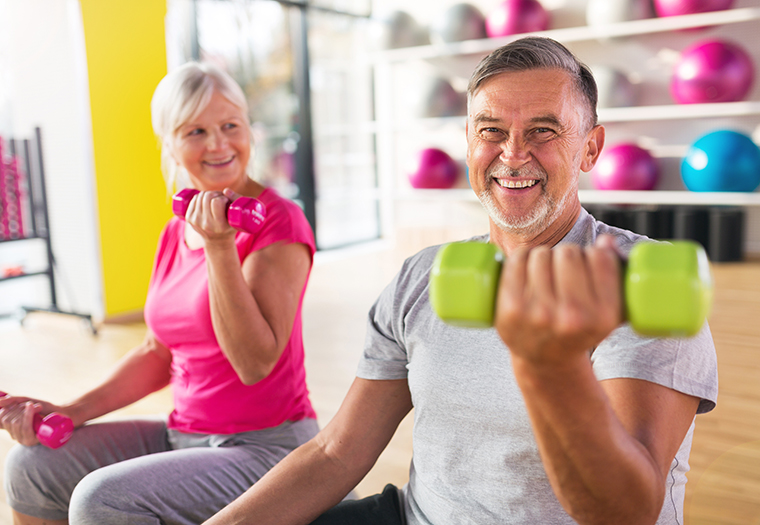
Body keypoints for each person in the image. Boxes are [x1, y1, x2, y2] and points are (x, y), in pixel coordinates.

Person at [203, 37, 718, 525]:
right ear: (469, 141)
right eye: (491, 130)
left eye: (543, 130)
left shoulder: (637, 282)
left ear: (590, 148)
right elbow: (337, 452)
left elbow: (625, 514)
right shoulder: (421, 277)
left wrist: (553, 367)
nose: (513, 154)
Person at [1, 61, 319, 524]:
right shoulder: (174, 232)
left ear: (249, 130)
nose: (217, 144)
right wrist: (71, 411)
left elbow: (255, 364)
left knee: (102, 500)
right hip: (184, 434)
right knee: (31, 468)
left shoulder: (278, 222)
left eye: (230, 126)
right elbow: (157, 353)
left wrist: (219, 245)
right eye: (195, 131)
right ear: (169, 143)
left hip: (266, 449)